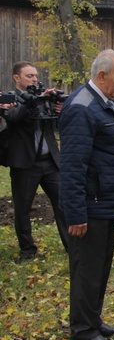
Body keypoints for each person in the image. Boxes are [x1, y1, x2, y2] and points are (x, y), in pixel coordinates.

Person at [59, 49, 114, 340]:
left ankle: (92, 319)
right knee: (87, 270)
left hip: (106, 203)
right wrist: (76, 214)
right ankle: (83, 333)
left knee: (99, 267)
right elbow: (73, 167)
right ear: (101, 76)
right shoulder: (81, 108)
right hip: (90, 206)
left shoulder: (105, 104)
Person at [3, 61, 68, 261]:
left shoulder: (42, 98)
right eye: (29, 76)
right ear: (17, 78)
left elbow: (56, 124)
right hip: (25, 164)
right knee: (22, 209)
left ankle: (72, 246)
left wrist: (58, 109)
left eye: (35, 75)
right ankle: (27, 250)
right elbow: (13, 117)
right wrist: (32, 102)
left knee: (63, 204)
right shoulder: (10, 99)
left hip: (50, 162)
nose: (34, 79)